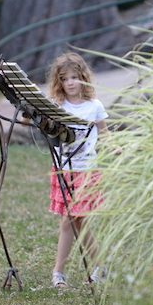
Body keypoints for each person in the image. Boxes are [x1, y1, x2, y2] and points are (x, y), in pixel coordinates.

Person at [46, 52, 110, 288]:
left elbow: (105, 134)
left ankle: (58, 274)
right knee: (77, 222)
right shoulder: (56, 105)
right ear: (59, 82)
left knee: (70, 222)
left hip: (86, 171)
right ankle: (100, 267)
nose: (70, 83)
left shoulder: (94, 106)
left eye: (74, 77)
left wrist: (118, 150)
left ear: (83, 77)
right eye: (64, 79)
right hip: (64, 171)